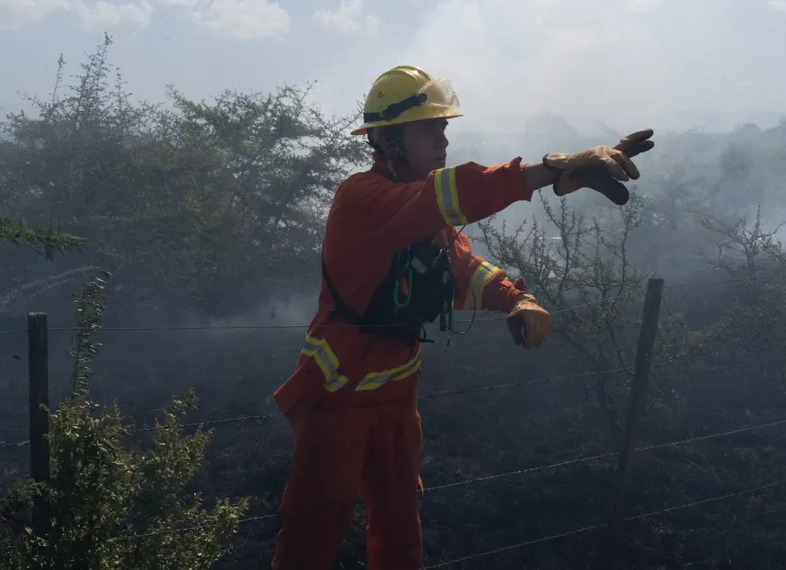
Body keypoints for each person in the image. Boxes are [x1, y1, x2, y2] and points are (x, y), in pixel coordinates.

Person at [270, 65, 655, 570]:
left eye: (444, 127)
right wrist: (546, 171)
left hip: (395, 398)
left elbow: (460, 267)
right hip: (336, 396)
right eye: (429, 127)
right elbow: (450, 195)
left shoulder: (423, 214)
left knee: (400, 530)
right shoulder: (362, 199)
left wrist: (517, 298)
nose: (443, 138)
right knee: (312, 536)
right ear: (389, 140)